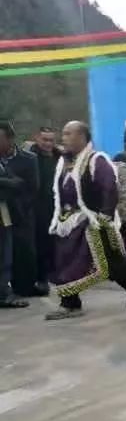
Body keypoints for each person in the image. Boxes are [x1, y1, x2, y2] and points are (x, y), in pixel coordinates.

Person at [46, 121, 126, 319]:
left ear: (82, 137)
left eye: (68, 134)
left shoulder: (97, 160)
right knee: (65, 261)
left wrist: (104, 215)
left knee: (110, 263)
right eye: (63, 134)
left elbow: (109, 187)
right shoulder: (64, 162)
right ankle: (70, 303)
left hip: (93, 221)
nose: (63, 138)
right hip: (68, 222)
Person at [0, 122, 40, 299]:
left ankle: (24, 287)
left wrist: (21, 207)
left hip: (21, 212)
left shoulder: (28, 159)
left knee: (24, 252)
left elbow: (32, 188)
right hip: (2, 214)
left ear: (10, 139)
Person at [29, 126, 61, 295]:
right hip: (38, 208)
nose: (48, 143)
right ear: (37, 138)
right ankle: (41, 279)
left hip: (58, 207)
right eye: (45, 140)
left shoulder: (60, 157)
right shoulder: (31, 157)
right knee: (41, 244)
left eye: (51, 140)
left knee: (57, 244)